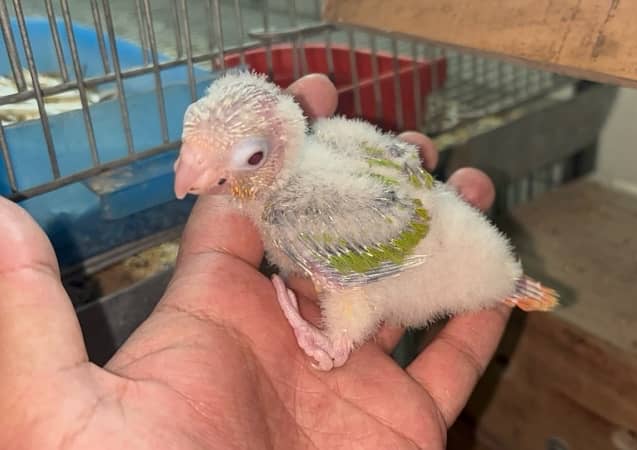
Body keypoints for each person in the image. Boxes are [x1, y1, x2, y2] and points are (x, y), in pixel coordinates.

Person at [0, 74, 509, 449]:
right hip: (424, 222)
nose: (187, 178)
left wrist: (330, 340)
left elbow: (371, 284)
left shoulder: (295, 209)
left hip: (433, 259)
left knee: (339, 273)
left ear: (279, 148)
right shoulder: (327, 140)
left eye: (250, 157)